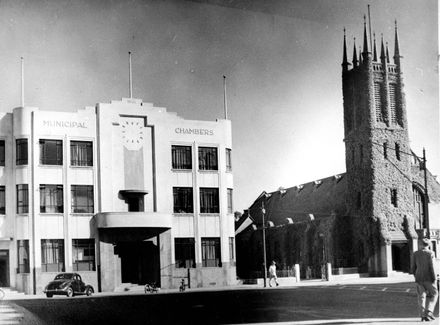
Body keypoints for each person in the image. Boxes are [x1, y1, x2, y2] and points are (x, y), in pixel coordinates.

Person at [411, 238, 438, 322]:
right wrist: (434, 278)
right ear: (429, 245)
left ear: (420, 245)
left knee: (421, 297)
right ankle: (429, 311)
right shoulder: (431, 253)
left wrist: (416, 276)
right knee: (435, 294)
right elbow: (432, 267)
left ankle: (423, 315)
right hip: (429, 277)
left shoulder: (415, 254)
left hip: (419, 277)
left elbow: (413, 268)